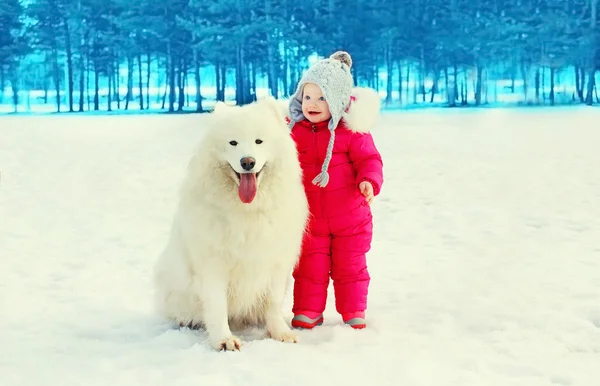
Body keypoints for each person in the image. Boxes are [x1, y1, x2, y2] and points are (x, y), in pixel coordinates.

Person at [286, 51, 384, 329]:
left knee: (350, 267)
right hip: (309, 218)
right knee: (308, 267)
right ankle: (307, 310)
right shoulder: (293, 130)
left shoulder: (352, 131)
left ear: (338, 100)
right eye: (307, 97)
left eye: (321, 98)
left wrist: (369, 180)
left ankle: (354, 311)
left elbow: (370, 160)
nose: (312, 104)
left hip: (350, 218)